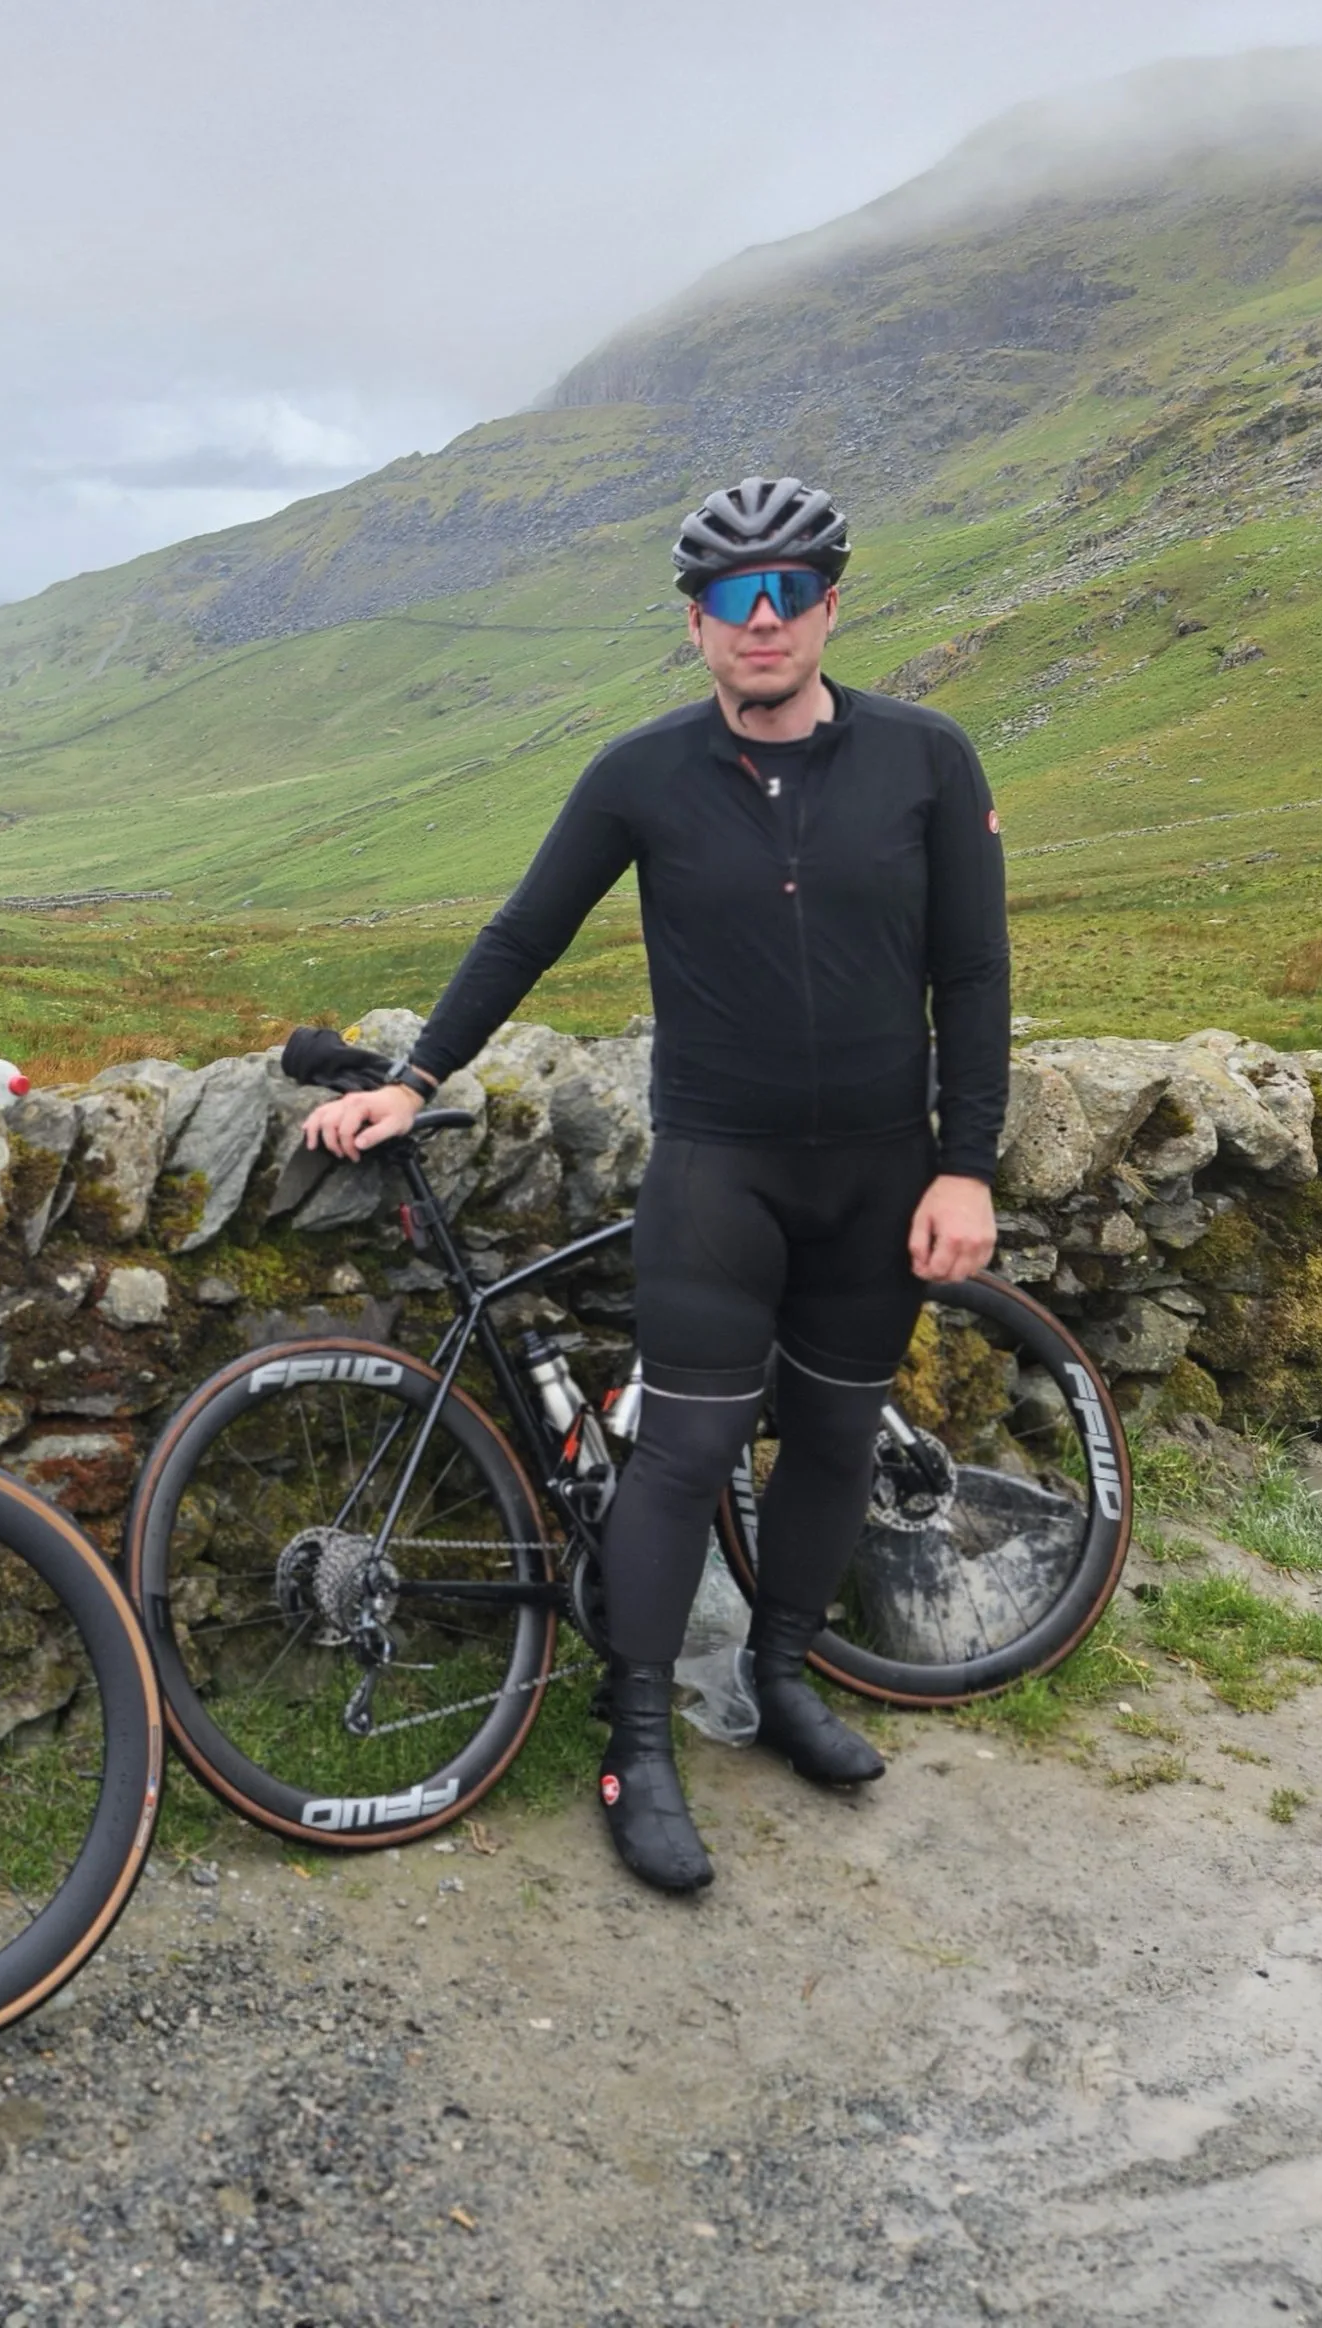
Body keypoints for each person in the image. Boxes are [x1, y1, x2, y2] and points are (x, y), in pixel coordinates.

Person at [303, 475, 1010, 1894]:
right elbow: (525, 934)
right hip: (718, 1170)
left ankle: (785, 1674)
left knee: (828, 1435)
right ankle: (637, 1736)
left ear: (830, 606)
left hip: (879, 1175)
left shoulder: (928, 761)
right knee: (684, 1456)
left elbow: (975, 975)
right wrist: (416, 1077)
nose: (766, 621)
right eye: (734, 600)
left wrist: (965, 1167)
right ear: (694, 627)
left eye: (791, 592)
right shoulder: (641, 775)